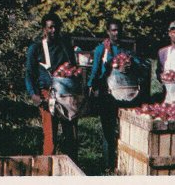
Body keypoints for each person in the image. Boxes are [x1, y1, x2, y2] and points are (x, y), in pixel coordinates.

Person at [25, 12, 78, 162]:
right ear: (44, 29)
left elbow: (73, 68)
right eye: (50, 28)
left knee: (71, 135)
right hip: (47, 94)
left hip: (66, 94)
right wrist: (33, 94)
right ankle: (46, 170)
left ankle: (73, 168)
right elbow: (29, 74)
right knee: (50, 136)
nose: (53, 30)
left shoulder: (65, 46)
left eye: (56, 27)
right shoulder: (36, 48)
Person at [88, 18, 135, 174]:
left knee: (123, 129)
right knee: (108, 131)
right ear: (108, 32)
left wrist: (130, 65)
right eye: (113, 30)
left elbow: (136, 66)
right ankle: (108, 166)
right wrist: (91, 86)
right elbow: (95, 70)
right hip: (107, 95)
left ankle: (123, 163)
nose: (117, 33)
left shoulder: (125, 50)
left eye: (118, 30)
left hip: (124, 95)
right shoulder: (102, 49)